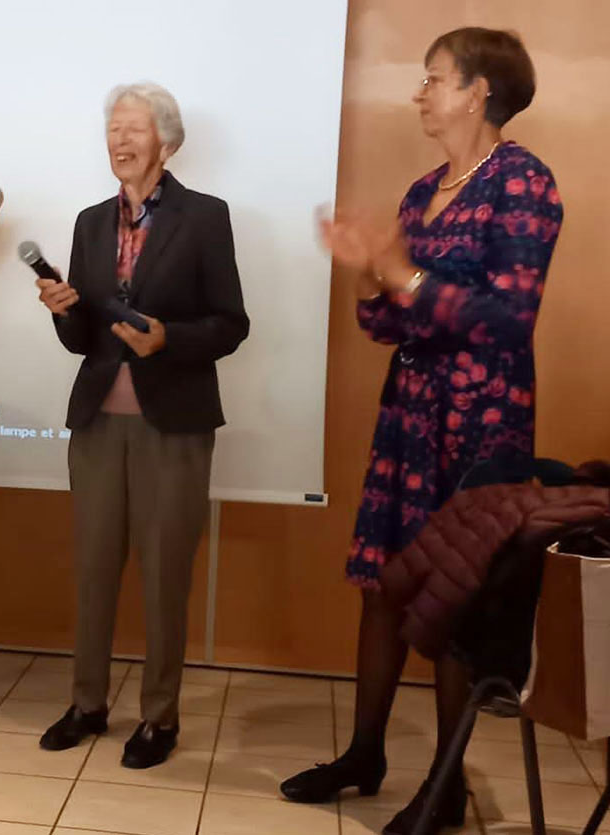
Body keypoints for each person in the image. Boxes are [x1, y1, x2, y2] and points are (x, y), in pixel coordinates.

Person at [279, 28, 563, 835]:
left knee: (453, 601)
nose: (420, 92)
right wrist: (370, 274)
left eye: (434, 78)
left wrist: (402, 272)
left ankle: (445, 787)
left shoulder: (523, 183)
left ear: (478, 90)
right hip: (410, 410)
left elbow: (510, 320)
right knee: (386, 582)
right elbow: (387, 321)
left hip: (481, 423)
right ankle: (365, 754)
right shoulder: (421, 190)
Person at [35, 82, 249, 769]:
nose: (120, 142)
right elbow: (81, 340)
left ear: (169, 142)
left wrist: (170, 340)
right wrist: (64, 309)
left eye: (134, 130)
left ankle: (160, 716)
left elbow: (230, 322)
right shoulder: (91, 221)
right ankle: (87, 703)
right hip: (98, 419)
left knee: (165, 576)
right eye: (113, 130)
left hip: (174, 424)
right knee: (94, 569)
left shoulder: (206, 216)